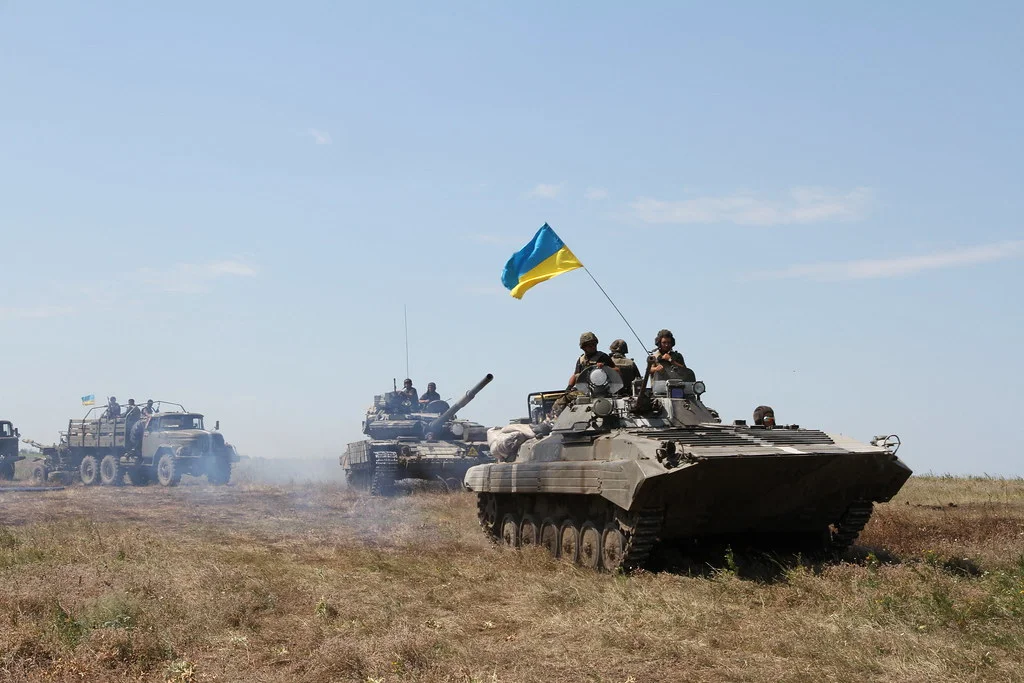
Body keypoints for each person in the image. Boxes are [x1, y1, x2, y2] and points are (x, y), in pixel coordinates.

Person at [552, 332, 617, 416]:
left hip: (601, 390)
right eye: (590, 345)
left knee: (564, 399)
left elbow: (617, 370)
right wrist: (568, 388)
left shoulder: (602, 357)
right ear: (584, 347)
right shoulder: (581, 359)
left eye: (594, 344)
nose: (593, 347)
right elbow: (575, 375)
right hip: (584, 390)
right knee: (563, 399)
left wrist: (605, 367)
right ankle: (552, 419)